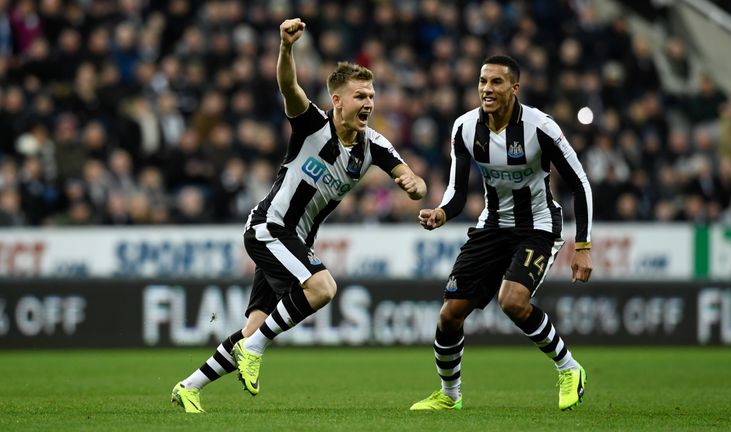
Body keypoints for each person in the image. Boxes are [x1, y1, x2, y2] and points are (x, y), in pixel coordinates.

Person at [171, 18, 427, 413]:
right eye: (360, 95)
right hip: (269, 228)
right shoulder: (311, 124)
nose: (369, 103)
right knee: (323, 288)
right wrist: (286, 48)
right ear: (337, 100)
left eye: (372, 95)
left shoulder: (373, 145)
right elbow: (288, 87)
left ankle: (189, 386)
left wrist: (413, 184)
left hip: (293, 242)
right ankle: (254, 350)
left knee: (254, 326)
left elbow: (413, 178)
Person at [409, 55, 593, 412]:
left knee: (512, 301)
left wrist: (582, 245)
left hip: (537, 226)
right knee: (450, 314)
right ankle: (450, 395)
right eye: (482, 82)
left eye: (496, 82)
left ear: (514, 88)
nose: (487, 89)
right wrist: (441, 212)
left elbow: (579, 183)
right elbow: (458, 192)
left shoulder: (541, 127)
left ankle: (570, 369)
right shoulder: (464, 128)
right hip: (492, 225)